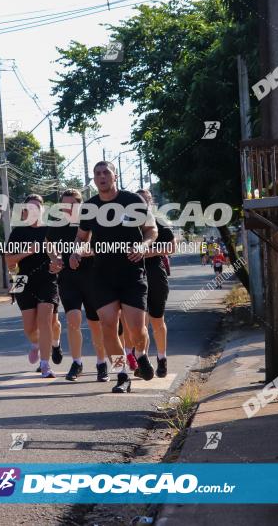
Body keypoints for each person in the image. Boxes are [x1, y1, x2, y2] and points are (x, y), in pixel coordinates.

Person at [71, 161, 157, 393]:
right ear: (94, 178)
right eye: (97, 174)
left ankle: (140, 354)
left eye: (106, 172)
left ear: (115, 175)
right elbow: (81, 237)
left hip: (131, 273)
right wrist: (76, 251)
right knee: (108, 327)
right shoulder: (89, 206)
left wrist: (143, 246)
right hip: (102, 275)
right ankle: (122, 374)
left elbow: (151, 230)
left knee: (137, 331)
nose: (102, 177)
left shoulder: (132, 201)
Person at [47, 188, 108, 382]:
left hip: (93, 278)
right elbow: (48, 243)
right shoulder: (57, 224)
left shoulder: (90, 222)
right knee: (73, 320)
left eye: (72, 205)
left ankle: (101, 363)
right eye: (65, 205)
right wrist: (55, 257)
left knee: (95, 324)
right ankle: (77, 362)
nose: (68, 209)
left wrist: (83, 252)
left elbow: (102, 246)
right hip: (68, 279)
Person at [4, 194, 59, 378]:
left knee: (45, 322)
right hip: (22, 280)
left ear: (43, 209)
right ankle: (35, 343)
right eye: (30, 207)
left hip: (47, 280)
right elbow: (9, 260)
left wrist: (57, 262)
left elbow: (57, 257)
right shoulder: (18, 232)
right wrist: (27, 252)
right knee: (29, 328)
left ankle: (45, 365)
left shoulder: (50, 230)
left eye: (38, 206)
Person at [136, 189, 175, 378]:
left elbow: (172, 247)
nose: (142, 203)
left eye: (146, 200)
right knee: (139, 323)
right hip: (134, 277)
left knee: (157, 320)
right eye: (138, 201)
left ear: (151, 203)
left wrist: (146, 252)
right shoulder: (127, 224)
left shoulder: (160, 223)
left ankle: (162, 358)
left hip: (155, 274)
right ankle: (142, 360)